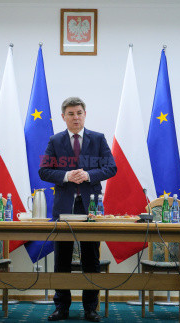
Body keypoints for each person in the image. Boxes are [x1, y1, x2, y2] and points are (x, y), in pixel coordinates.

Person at [39, 97, 117, 322]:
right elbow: (44, 171)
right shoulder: (55, 140)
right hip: (63, 207)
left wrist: (89, 175)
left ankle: (90, 308)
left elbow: (111, 167)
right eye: (71, 114)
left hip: (90, 207)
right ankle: (61, 307)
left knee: (90, 259)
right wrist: (65, 175)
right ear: (63, 116)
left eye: (79, 113)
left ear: (85, 114)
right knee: (61, 259)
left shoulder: (98, 139)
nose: (75, 117)